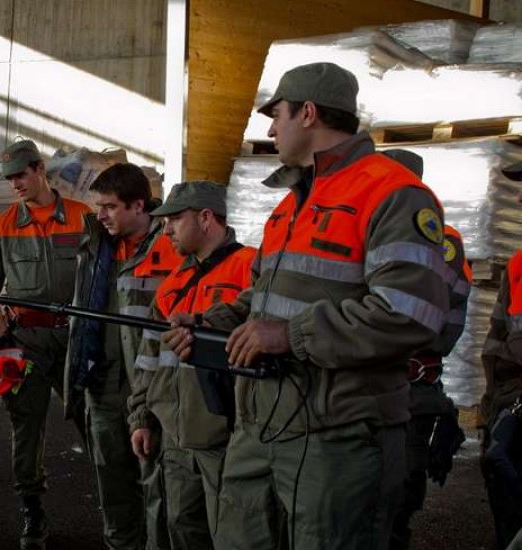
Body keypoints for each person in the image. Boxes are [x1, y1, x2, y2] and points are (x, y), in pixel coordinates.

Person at [163, 62, 450, 549]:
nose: (271, 130)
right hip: (260, 425)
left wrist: (289, 335)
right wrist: (211, 322)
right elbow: (263, 297)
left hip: (338, 439)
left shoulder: (393, 194)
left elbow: (407, 313)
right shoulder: (291, 203)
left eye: (276, 116)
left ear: (309, 113)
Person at [0, 139, 91, 550]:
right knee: (26, 428)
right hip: (27, 343)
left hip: (76, 339)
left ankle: (119, 506)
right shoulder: (2, 226)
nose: (16, 185)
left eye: (21, 175)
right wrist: (4, 336)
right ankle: (33, 511)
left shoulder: (83, 217)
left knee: (96, 421)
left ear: (40, 169)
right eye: (10, 179)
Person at [128, 181, 255, 549]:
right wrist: (142, 418)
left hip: (229, 438)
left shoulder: (250, 269)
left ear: (205, 218)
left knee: (234, 535)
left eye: (175, 220)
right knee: (183, 527)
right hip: (176, 438)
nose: (165, 230)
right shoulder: (173, 284)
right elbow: (148, 359)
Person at [65, 163, 180, 550]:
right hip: (101, 383)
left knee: (157, 486)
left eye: (110, 206)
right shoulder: (96, 243)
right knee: (112, 485)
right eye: (98, 206)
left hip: (151, 387)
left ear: (138, 206)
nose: (101, 215)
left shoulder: (171, 245)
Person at [382, 149, 471, 550]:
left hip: (410, 388)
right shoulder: (373, 233)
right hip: (364, 386)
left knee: (399, 489)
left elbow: (412, 310)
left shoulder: (441, 241)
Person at [480, 159, 522, 549]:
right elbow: (497, 336)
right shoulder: (518, 263)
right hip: (511, 400)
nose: (520, 198)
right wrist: (492, 401)